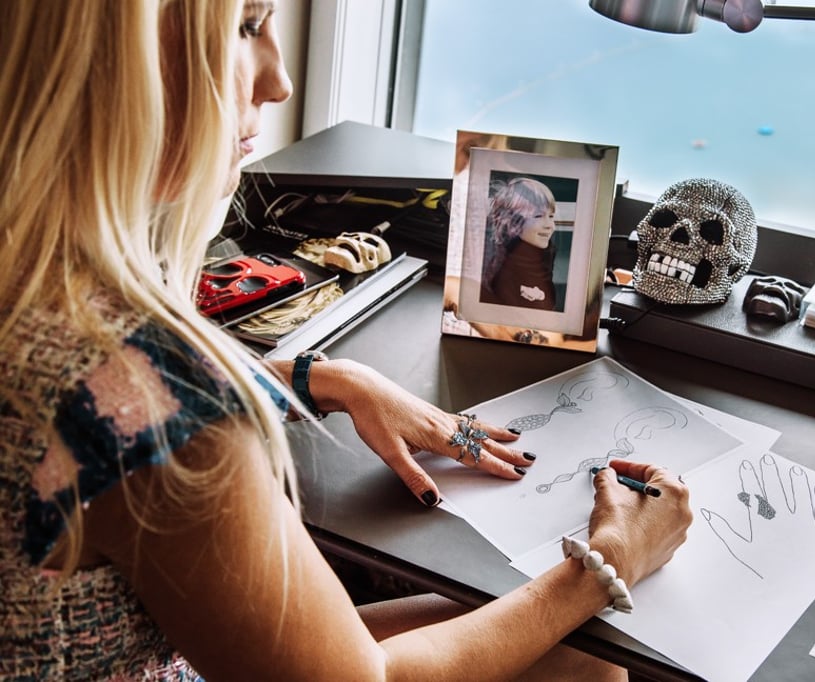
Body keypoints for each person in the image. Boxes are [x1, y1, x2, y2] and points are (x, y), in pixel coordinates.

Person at [0, 2, 694, 680]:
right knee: (588, 657)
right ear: (119, 62)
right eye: (247, 26)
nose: (280, 80)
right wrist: (606, 565)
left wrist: (321, 377)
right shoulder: (149, 392)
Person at [480, 176, 561, 311]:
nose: (550, 226)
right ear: (512, 222)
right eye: (538, 216)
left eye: (551, 216)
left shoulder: (544, 255)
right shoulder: (500, 266)